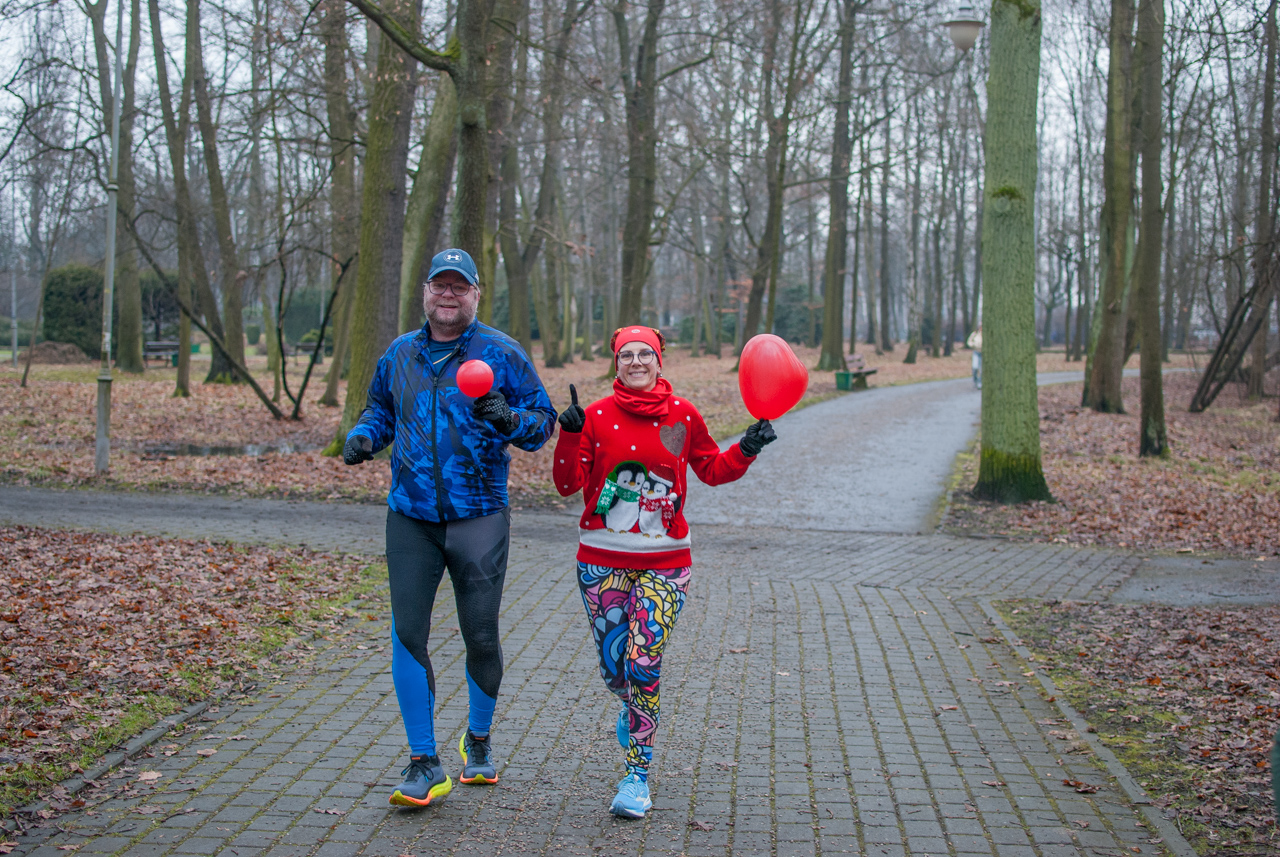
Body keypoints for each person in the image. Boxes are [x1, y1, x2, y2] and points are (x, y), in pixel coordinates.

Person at [343, 248, 556, 808]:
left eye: (460, 286)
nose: (449, 294)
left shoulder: (501, 352)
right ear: (425, 291)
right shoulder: (400, 353)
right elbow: (380, 410)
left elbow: (542, 423)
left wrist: (509, 420)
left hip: (479, 515)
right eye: (440, 284)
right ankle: (423, 761)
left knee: (480, 633)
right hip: (410, 517)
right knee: (408, 634)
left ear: (476, 295)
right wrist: (365, 436)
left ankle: (478, 741)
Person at [551, 326, 777, 818]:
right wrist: (568, 435)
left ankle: (637, 775)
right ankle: (630, 706)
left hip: (667, 562)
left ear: (660, 361)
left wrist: (748, 447)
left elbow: (713, 469)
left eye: (645, 354)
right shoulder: (594, 417)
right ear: (616, 363)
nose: (636, 362)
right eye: (626, 355)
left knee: (643, 662)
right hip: (601, 561)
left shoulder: (683, 414)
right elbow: (567, 484)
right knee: (618, 672)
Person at [966, 324, 983, 389]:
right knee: (975, 367)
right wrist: (973, 345)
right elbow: (969, 341)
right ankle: (975, 380)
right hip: (976, 352)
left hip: (982, 353)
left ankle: (980, 382)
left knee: (981, 369)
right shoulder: (975, 334)